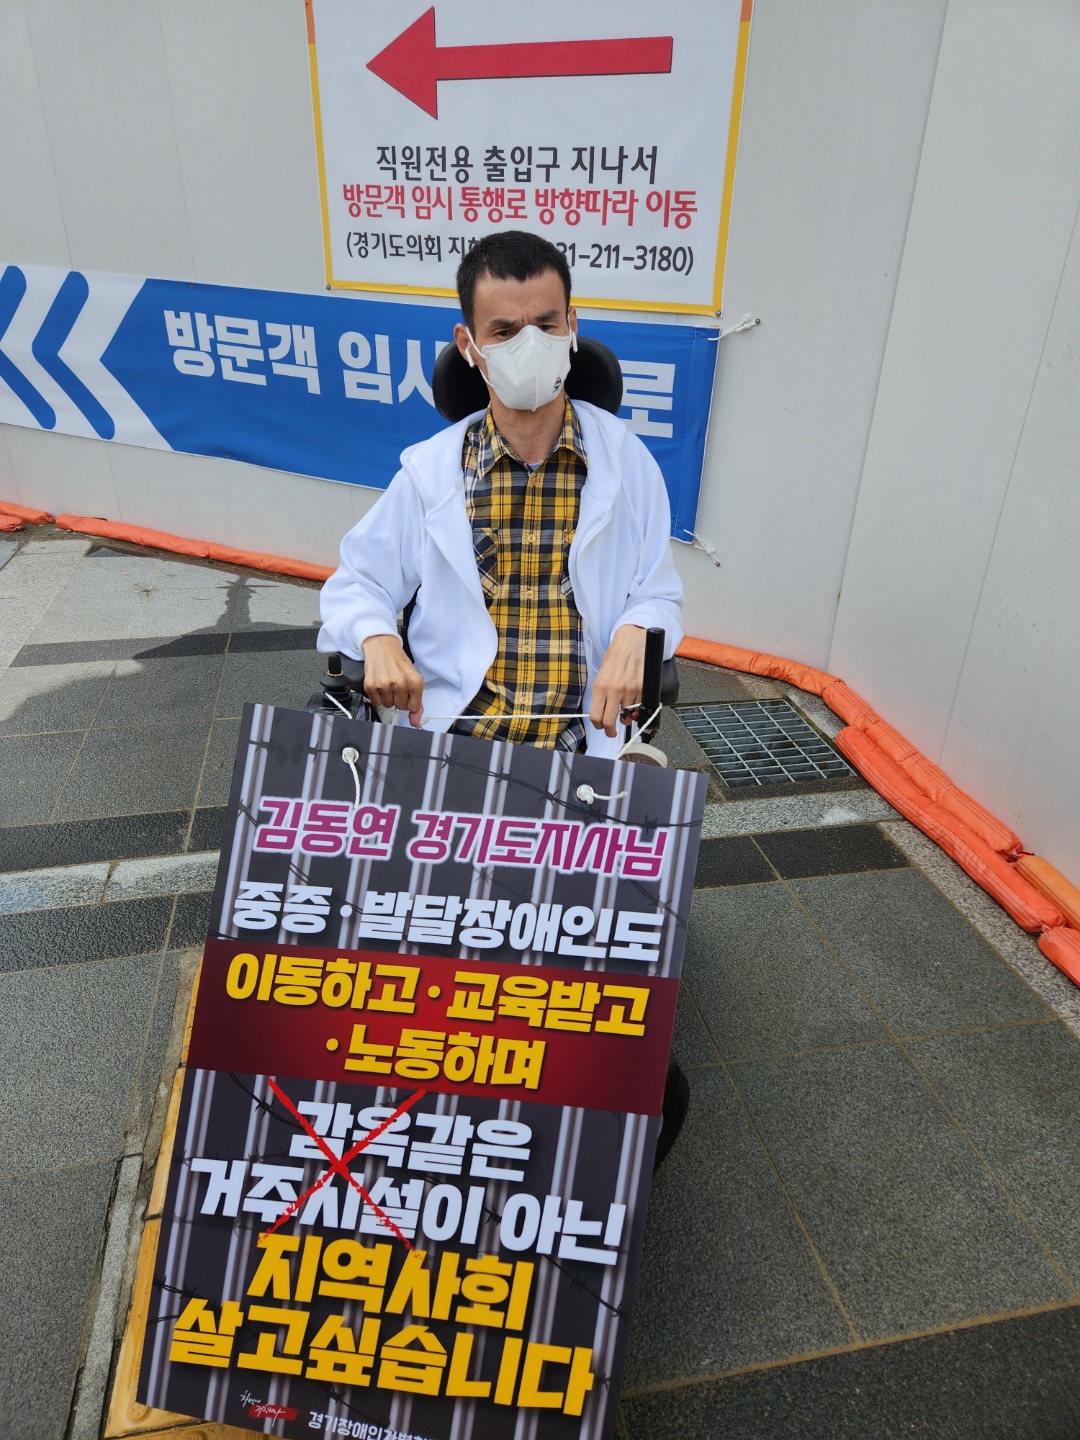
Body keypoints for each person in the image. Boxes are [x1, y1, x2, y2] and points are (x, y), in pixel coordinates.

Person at [318, 230, 683, 756]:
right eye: (505, 331)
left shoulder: (628, 465)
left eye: (546, 325)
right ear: (468, 345)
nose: (529, 345)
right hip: (456, 741)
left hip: (583, 746)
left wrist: (638, 629)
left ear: (572, 326)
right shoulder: (431, 473)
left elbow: (658, 592)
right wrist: (376, 639)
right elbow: (358, 583)